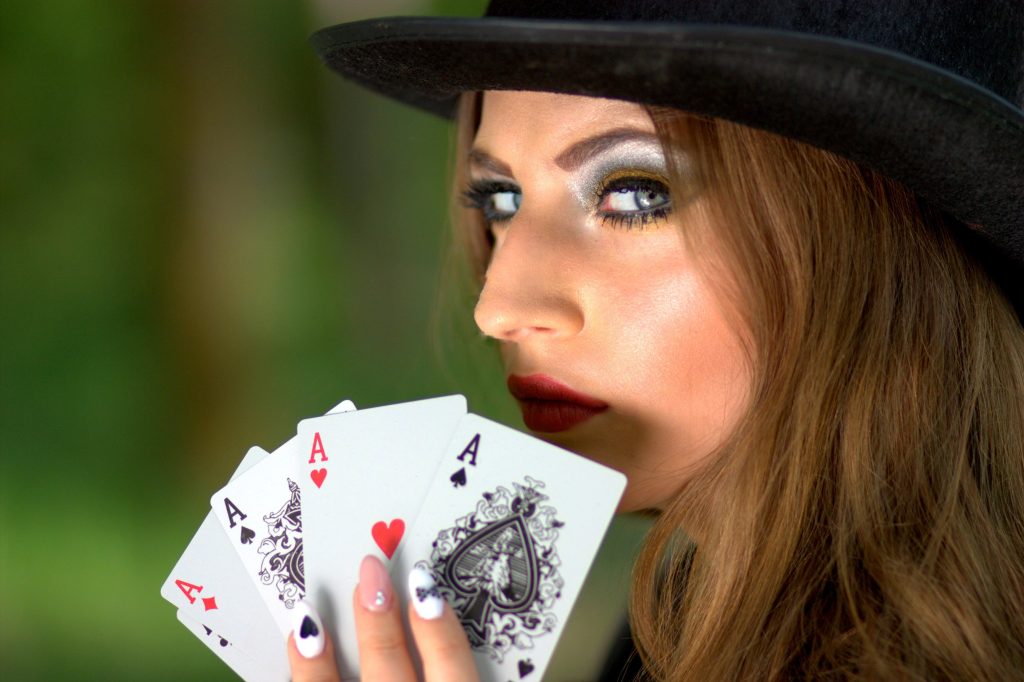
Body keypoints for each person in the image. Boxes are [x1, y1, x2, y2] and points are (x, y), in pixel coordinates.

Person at [288, 1, 1024, 679]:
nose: (499, 308)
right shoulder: (677, 615)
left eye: (634, 192)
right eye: (501, 200)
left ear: (883, 246)